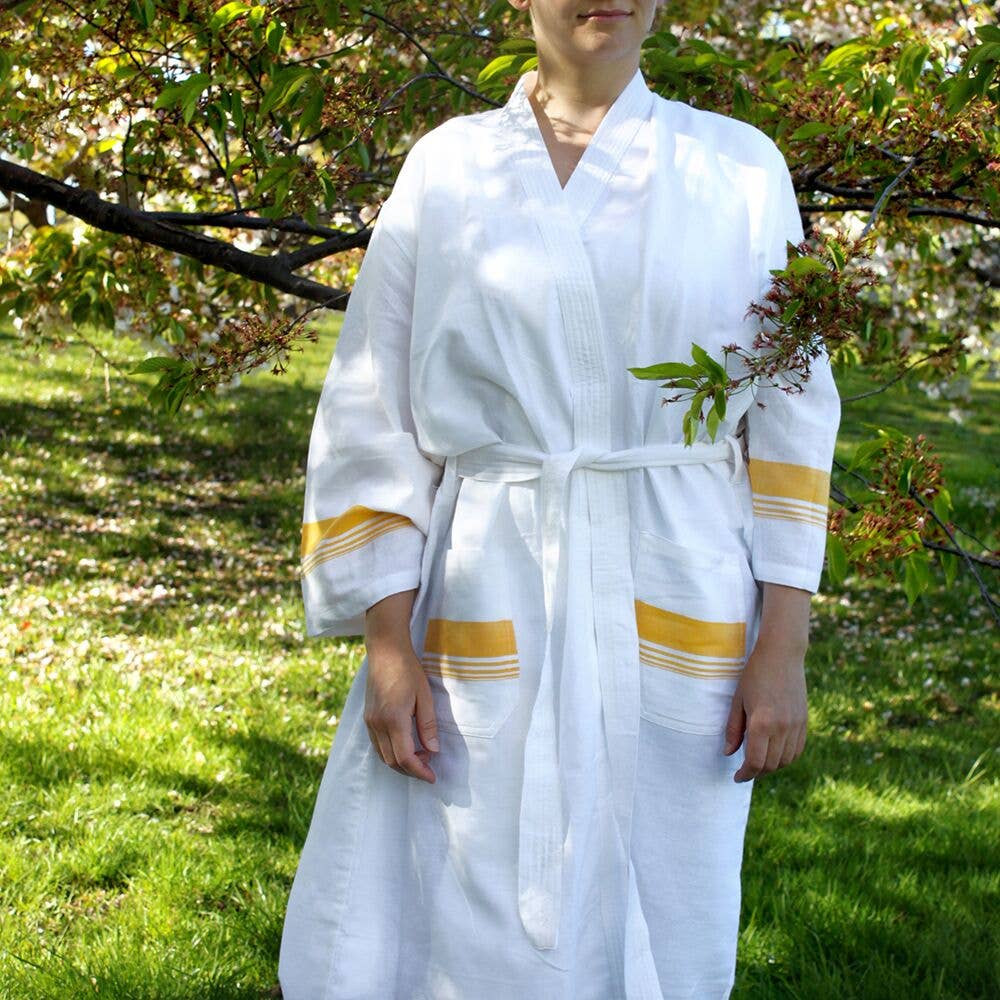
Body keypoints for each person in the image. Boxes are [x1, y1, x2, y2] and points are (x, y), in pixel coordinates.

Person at [278, 1, 841, 997]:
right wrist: (387, 644)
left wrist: (784, 645)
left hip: (680, 585)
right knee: (460, 884)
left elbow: (792, 414)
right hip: (486, 578)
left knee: (664, 889)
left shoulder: (740, 168)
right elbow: (372, 408)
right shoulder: (447, 168)